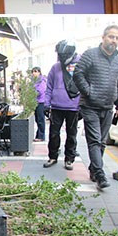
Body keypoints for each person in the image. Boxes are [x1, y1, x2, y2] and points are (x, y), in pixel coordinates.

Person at [73, 25, 118, 191]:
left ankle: (94, 170)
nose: (114, 40)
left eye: (117, 38)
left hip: (108, 107)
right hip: (90, 106)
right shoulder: (91, 55)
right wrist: (89, 92)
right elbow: (78, 73)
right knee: (94, 140)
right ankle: (100, 174)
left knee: (102, 142)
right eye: (111, 37)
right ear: (103, 37)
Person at [43, 40, 80, 170]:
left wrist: (82, 105)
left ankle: (69, 159)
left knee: (71, 135)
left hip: (73, 107)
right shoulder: (55, 67)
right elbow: (49, 87)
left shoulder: (81, 65)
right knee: (53, 133)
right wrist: (46, 104)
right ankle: (52, 157)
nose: (61, 57)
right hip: (56, 107)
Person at [31, 66, 48, 142]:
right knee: (37, 119)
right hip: (36, 102)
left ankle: (41, 136)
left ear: (39, 72)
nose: (34, 73)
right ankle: (38, 135)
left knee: (40, 119)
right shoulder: (34, 81)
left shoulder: (42, 80)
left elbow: (41, 91)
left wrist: (32, 93)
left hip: (41, 102)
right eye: (33, 71)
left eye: (36, 71)